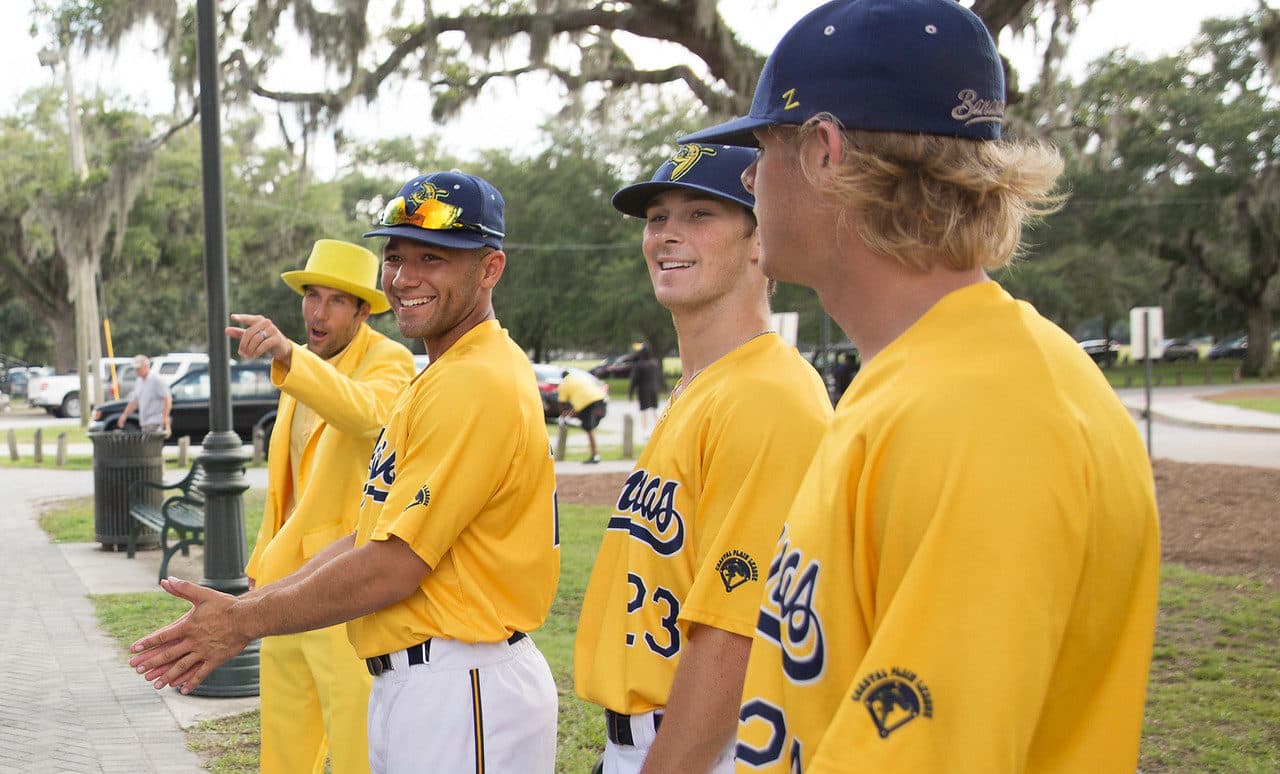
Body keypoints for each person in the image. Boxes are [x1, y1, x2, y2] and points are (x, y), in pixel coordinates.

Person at [678, 0, 1162, 771]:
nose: (746, 176)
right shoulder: (926, 373)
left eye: (760, 148)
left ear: (824, 152)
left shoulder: (986, 415)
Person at [129, 170, 561, 774]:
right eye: (395, 256)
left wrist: (240, 623)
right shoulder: (442, 373)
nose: (406, 277)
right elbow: (370, 533)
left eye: (432, 258)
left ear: (489, 269)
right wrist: (248, 607)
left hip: (459, 679)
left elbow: (392, 563)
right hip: (414, 673)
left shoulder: (470, 378)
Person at [574, 144, 832, 774]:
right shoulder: (704, 387)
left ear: (760, 238)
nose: (668, 235)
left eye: (700, 215)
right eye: (657, 217)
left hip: (711, 746)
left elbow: (737, 632)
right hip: (652, 738)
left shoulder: (768, 395)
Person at [233, 239, 415, 774]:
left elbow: (366, 414)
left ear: (364, 310)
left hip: (343, 583)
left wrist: (289, 356)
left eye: (336, 301)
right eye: (312, 296)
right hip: (283, 583)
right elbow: (284, 487)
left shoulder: (391, 361)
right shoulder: (304, 370)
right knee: (284, 745)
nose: (317, 312)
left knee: (355, 742)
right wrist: (260, 566)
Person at [559, 367, 608, 463]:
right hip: (601, 400)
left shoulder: (564, 384)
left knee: (588, 428)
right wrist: (571, 414)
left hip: (587, 404)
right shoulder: (579, 378)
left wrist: (564, 415)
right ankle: (595, 454)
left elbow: (561, 403)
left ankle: (595, 456)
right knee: (588, 426)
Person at [117, 355, 171, 435]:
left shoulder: (156, 379)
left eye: (138, 368)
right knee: (147, 446)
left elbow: (167, 399)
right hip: (144, 422)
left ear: (146, 366)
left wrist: (165, 418)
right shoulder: (139, 381)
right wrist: (124, 415)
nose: (136, 371)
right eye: (135, 369)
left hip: (156, 421)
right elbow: (134, 401)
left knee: (152, 446)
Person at [627, 345, 664, 439]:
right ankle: (659, 429)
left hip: (643, 390)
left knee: (644, 411)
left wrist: (630, 393)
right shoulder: (655, 364)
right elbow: (659, 377)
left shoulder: (639, 365)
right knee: (655, 410)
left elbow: (634, 380)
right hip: (654, 389)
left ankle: (646, 432)